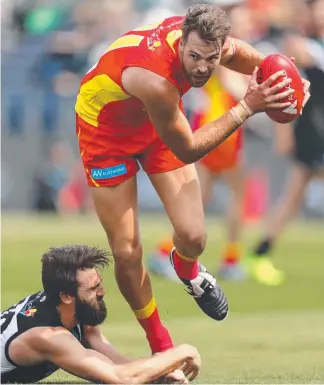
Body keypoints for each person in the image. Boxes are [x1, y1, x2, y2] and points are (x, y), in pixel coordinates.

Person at [75, 3, 310, 353]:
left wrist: (281, 77)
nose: (202, 67)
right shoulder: (156, 81)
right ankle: (160, 343)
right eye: (195, 56)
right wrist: (248, 105)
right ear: (181, 42)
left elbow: (241, 53)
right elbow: (187, 150)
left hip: (153, 122)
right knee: (126, 251)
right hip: (105, 131)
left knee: (194, 235)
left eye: (211, 58)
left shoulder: (210, 43)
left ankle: (187, 270)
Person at [1, 245, 200, 384]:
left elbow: (111, 362)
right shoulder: (48, 336)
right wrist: (181, 351)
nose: (102, 292)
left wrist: (160, 373)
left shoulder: (73, 308)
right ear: (67, 296)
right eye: (93, 288)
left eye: (100, 283)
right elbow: (122, 378)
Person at [248, 1, 324, 286]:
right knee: (292, 196)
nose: (319, 14)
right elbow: (292, 85)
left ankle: (260, 252)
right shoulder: (301, 43)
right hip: (312, 129)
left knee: (293, 198)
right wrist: (284, 133)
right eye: (315, 9)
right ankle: (258, 254)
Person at [148, 67, 247, 282]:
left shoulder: (212, 57)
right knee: (235, 194)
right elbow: (238, 91)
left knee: (201, 195)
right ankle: (230, 260)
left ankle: (164, 251)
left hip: (206, 125)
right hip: (223, 129)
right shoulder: (226, 58)